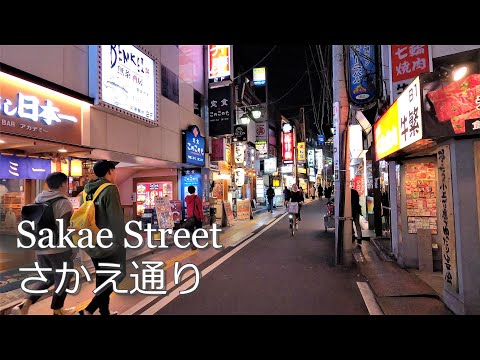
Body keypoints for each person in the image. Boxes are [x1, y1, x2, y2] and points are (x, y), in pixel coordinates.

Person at [12, 172, 77, 315]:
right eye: (66, 183)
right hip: (59, 249)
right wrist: (73, 247)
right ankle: (58, 310)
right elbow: (64, 228)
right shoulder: (63, 202)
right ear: (63, 184)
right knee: (64, 276)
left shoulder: (38, 199)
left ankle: (24, 305)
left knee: (49, 277)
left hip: (40, 247)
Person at [78, 160, 126, 316]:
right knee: (118, 274)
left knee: (102, 276)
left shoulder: (85, 191)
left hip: (91, 241)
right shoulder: (110, 189)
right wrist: (120, 241)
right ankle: (88, 309)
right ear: (110, 171)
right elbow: (116, 218)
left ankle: (103, 311)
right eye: (115, 171)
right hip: (109, 243)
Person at [185, 185, 204, 250]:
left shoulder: (187, 199)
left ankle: (192, 241)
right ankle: (195, 243)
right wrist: (202, 217)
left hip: (190, 217)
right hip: (197, 217)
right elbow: (200, 209)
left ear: (188, 191)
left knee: (191, 230)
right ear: (194, 190)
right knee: (198, 230)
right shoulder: (197, 198)